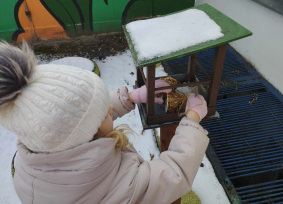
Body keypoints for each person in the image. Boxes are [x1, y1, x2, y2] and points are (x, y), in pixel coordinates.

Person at [0, 41, 209, 204]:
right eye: (105, 114)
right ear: (90, 132)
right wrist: (192, 120)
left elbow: (75, 119)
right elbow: (174, 174)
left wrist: (131, 97)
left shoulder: (32, 164)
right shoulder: (124, 186)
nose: (110, 109)